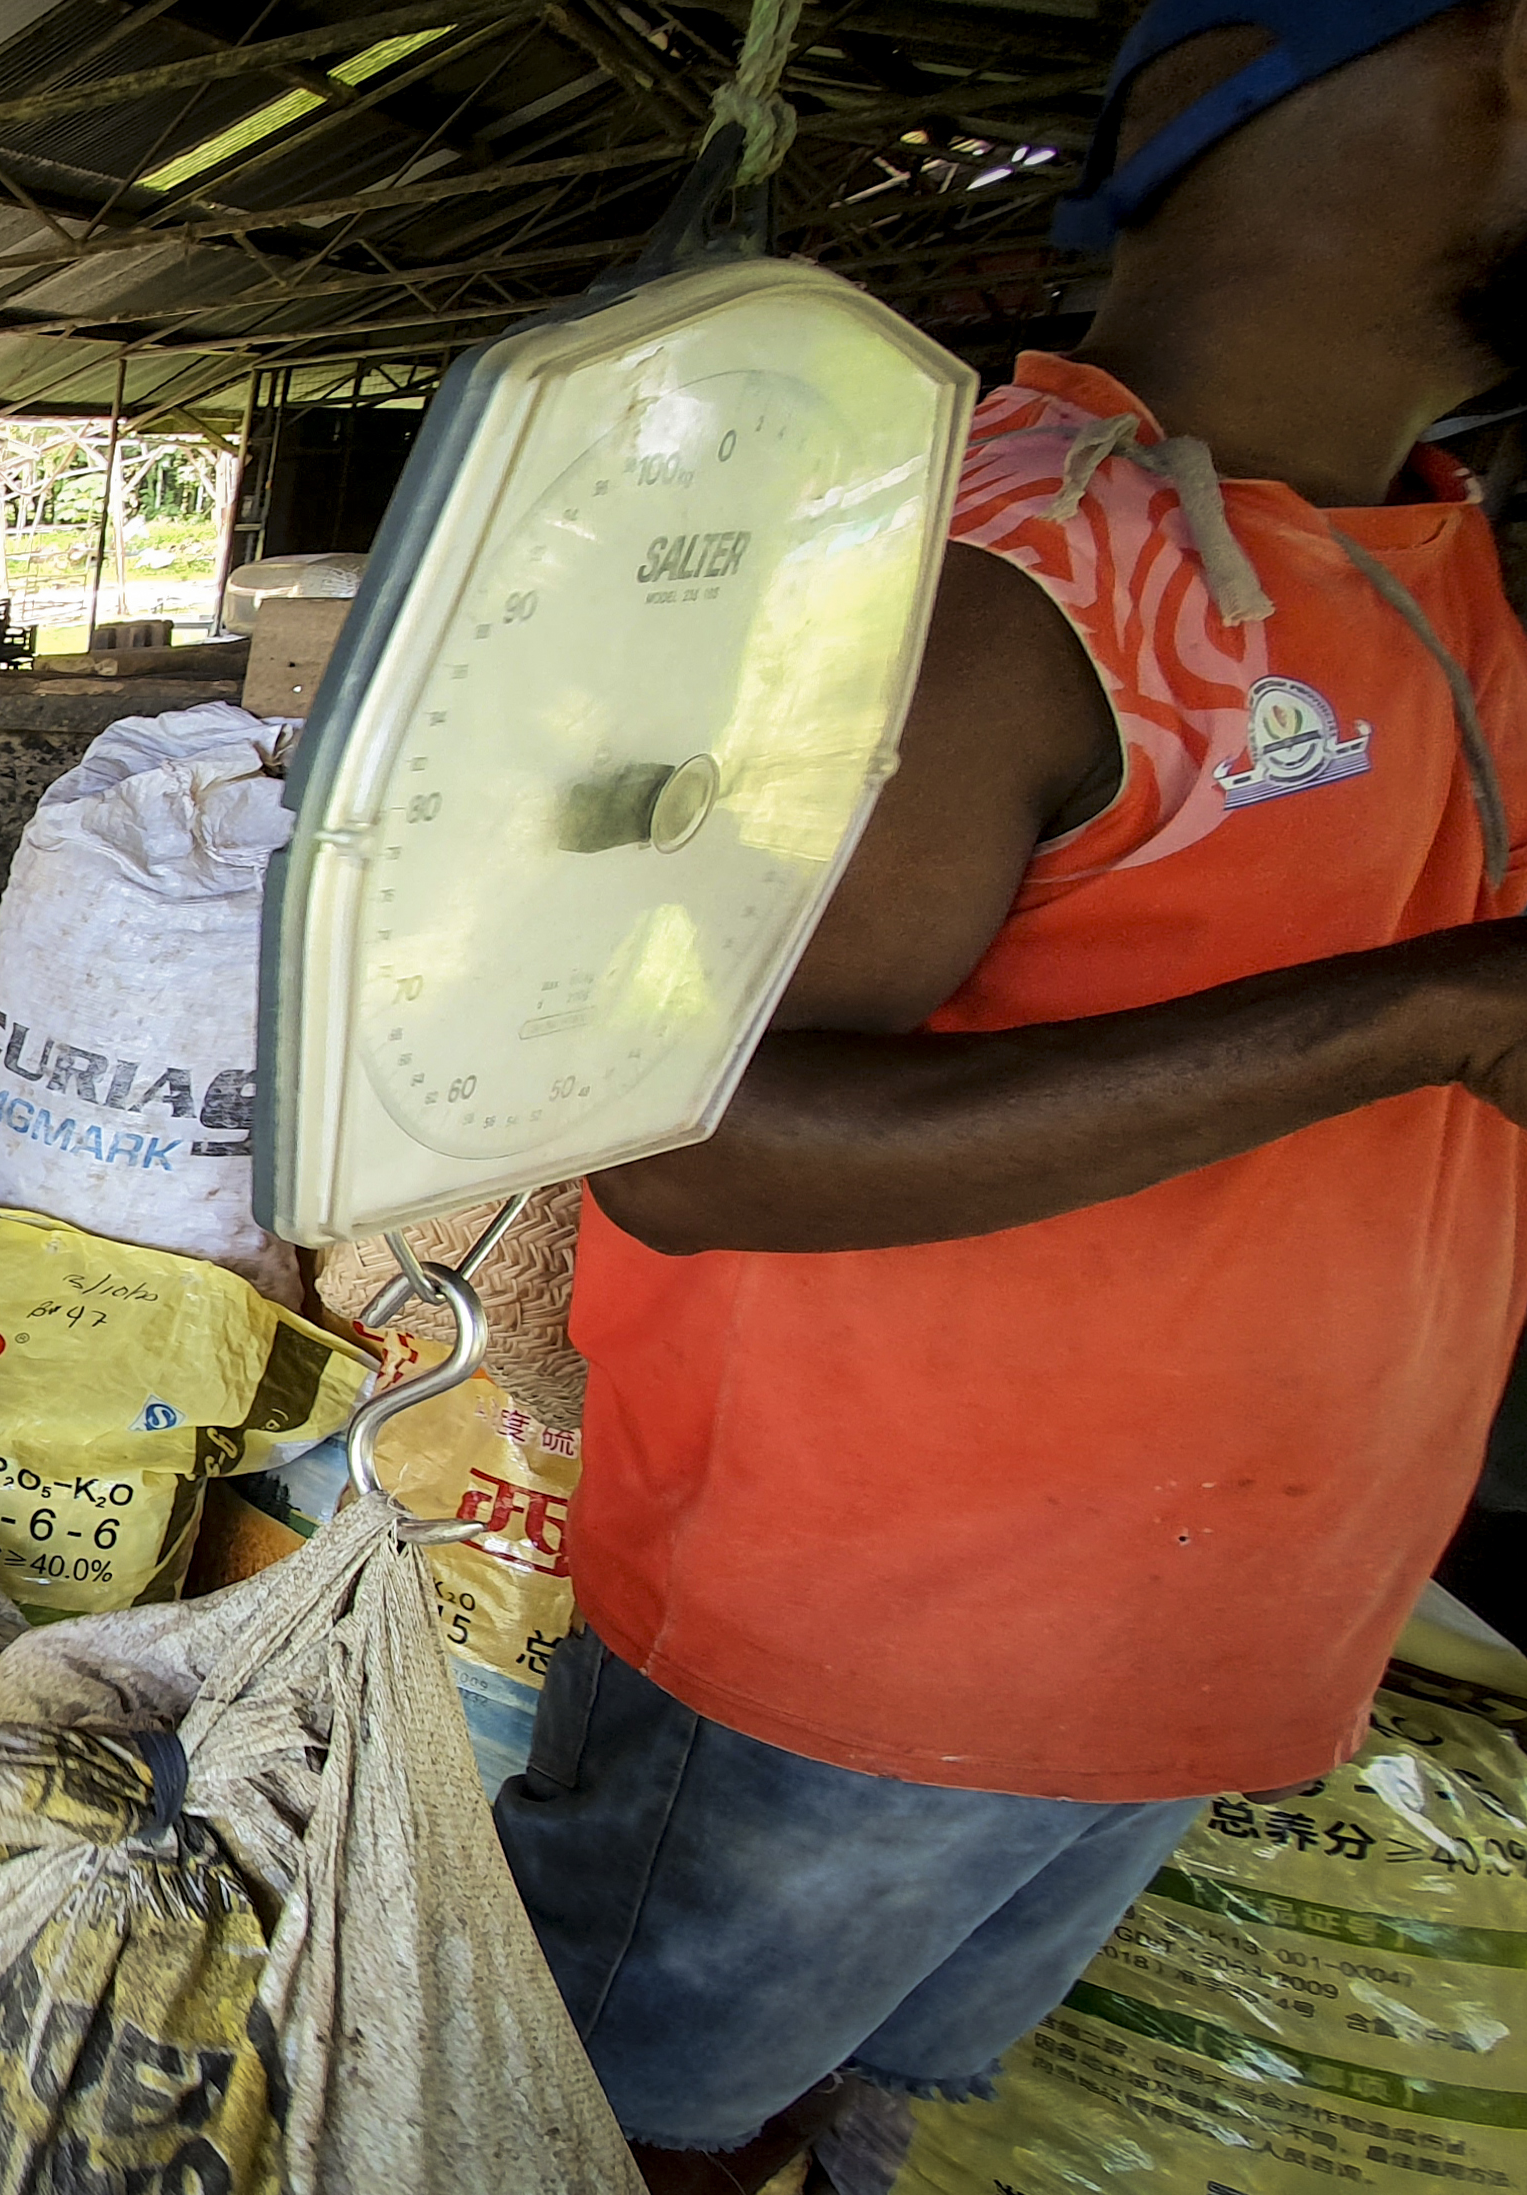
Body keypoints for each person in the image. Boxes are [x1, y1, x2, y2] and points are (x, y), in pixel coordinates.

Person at [512, 7, 1527, 2188]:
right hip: (854, 1666)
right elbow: (687, 1153)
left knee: (810, 2106)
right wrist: (1434, 1011)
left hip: (1190, 1627)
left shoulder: (1429, 555)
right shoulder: (1010, 578)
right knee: (593, 2127)